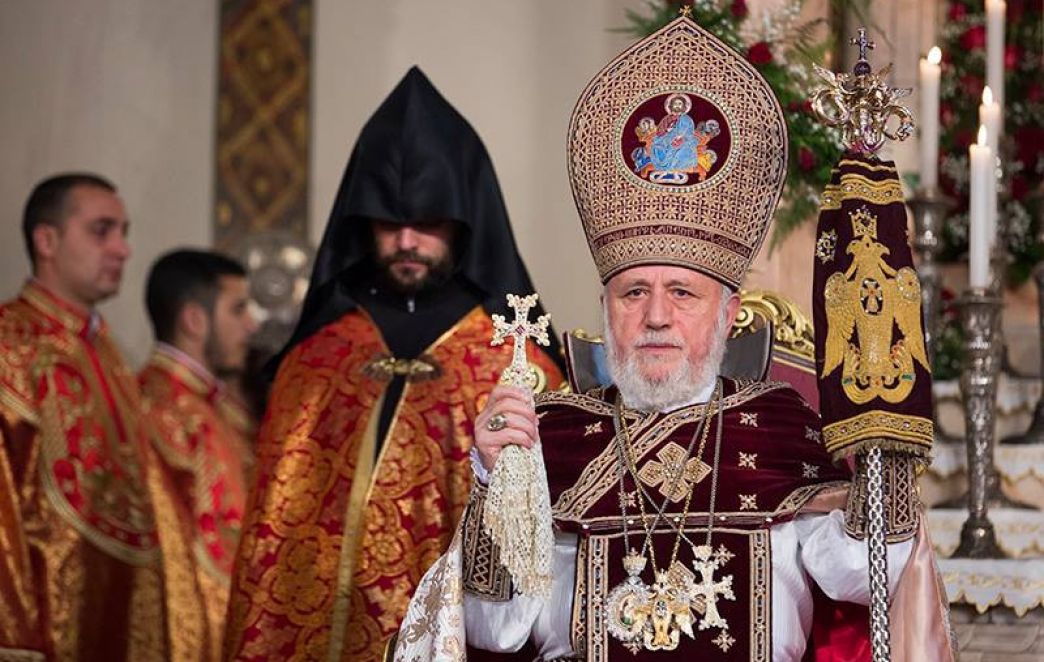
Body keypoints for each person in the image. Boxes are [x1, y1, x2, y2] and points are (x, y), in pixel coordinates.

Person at [395, 16, 954, 661]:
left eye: (683, 293)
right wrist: (497, 480)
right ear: (606, 308)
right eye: (634, 293)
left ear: (727, 312)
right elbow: (497, 631)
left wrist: (885, 451)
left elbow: (865, 577)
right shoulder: (552, 437)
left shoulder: (779, 426)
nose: (655, 316)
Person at [224, 67, 565, 662]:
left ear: (462, 224)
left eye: (427, 223)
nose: (407, 241)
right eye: (390, 223)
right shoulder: (317, 357)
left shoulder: (512, 359)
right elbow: (271, 551)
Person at [0, 174, 208, 660]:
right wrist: (13, 634)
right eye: (101, 230)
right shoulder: (11, 343)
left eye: (125, 232)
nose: (122, 249)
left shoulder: (108, 352)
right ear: (46, 240)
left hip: (125, 610)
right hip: (52, 622)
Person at [140, 248, 259, 661]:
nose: (252, 324)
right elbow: (206, 555)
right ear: (194, 320)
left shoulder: (214, 408)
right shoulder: (165, 409)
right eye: (238, 309)